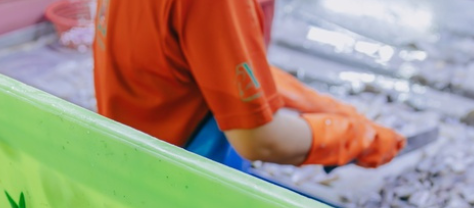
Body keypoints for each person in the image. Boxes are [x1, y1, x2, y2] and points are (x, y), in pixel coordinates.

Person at [93, 0, 405, 171]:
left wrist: (327, 107)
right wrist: (359, 138)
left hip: (125, 151)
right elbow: (259, 140)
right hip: (179, 175)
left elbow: (203, 57)